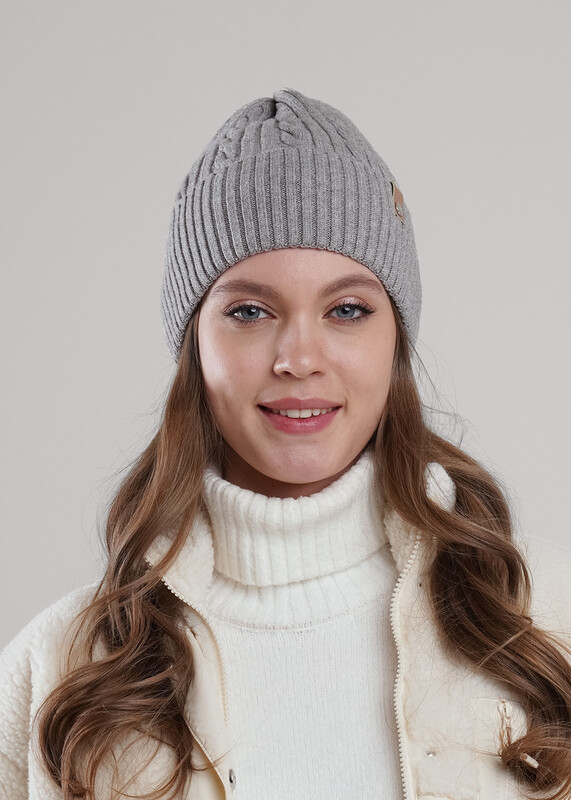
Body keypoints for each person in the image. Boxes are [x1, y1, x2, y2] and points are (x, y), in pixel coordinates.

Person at [0, 88, 570, 800]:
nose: (299, 358)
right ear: (194, 344)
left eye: (347, 309)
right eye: (249, 311)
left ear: (394, 340)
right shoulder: (58, 671)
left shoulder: (545, 618)